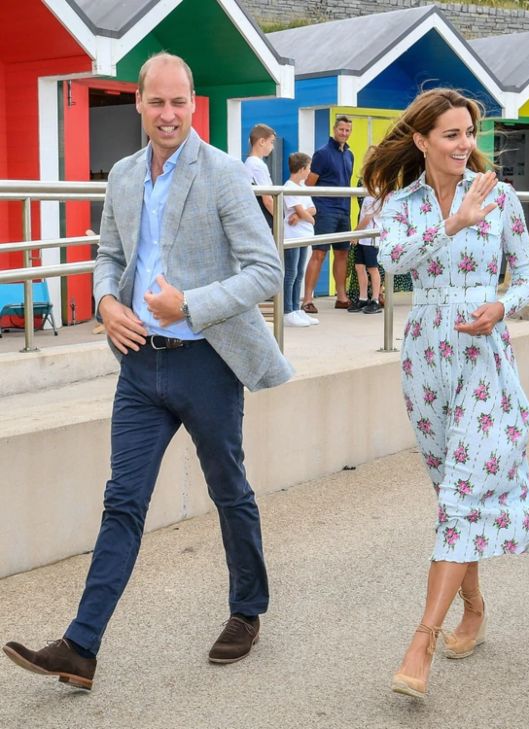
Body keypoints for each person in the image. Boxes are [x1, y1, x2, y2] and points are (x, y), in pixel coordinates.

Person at [2, 52, 292, 691]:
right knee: (122, 503)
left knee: (229, 491)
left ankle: (247, 610)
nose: (168, 114)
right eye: (156, 102)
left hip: (207, 366)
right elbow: (108, 256)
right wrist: (107, 304)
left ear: (194, 105)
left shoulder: (221, 175)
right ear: (138, 102)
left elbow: (266, 270)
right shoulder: (125, 177)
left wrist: (188, 304)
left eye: (179, 102)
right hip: (139, 368)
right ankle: (81, 647)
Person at [362, 88, 529, 700]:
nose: (466, 146)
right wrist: (453, 222)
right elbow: (395, 258)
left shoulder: (504, 197)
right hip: (426, 357)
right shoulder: (397, 203)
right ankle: (476, 609)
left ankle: (420, 643)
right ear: (422, 141)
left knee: (462, 495)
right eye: (452, 135)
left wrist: (502, 305)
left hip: (485, 357)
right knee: (451, 497)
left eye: (470, 135)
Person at [301, 116, 354, 313]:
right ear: (334, 129)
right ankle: (307, 299)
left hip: (343, 211)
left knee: (342, 253)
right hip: (325, 210)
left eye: (347, 130)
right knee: (319, 253)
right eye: (341, 129)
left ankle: (341, 296)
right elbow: (309, 184)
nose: (344, 133)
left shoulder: (350, 155)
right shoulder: (322, 153)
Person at [283, 152, 319, 327]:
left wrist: (301, 216)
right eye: (309, 168)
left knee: (299, 273)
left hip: (303, 234)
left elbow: (312, 209)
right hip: (293, 236)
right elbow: (303, 211)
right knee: (291, 273)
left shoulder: (303, 187)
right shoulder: (289, 186)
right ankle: (287, 310)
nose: (310, 171)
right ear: (303, 168)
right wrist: (307, 217)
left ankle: (297, 309)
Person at [347, 192, 382, 314]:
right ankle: (363, 298)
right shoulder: (368, 195)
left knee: (372, 268)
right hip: (362, 238)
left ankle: (375, 299)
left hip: (370, 238)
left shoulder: (375, 196)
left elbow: (367, 219)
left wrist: (355, 232)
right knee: (359, 267)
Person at [244, 123, 276, 228]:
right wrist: (280, 218)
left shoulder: (249, 162)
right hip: (263, 219)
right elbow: (267, 199)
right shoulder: (257, 165)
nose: (273, 146)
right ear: (262, 142)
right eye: (271, 142)